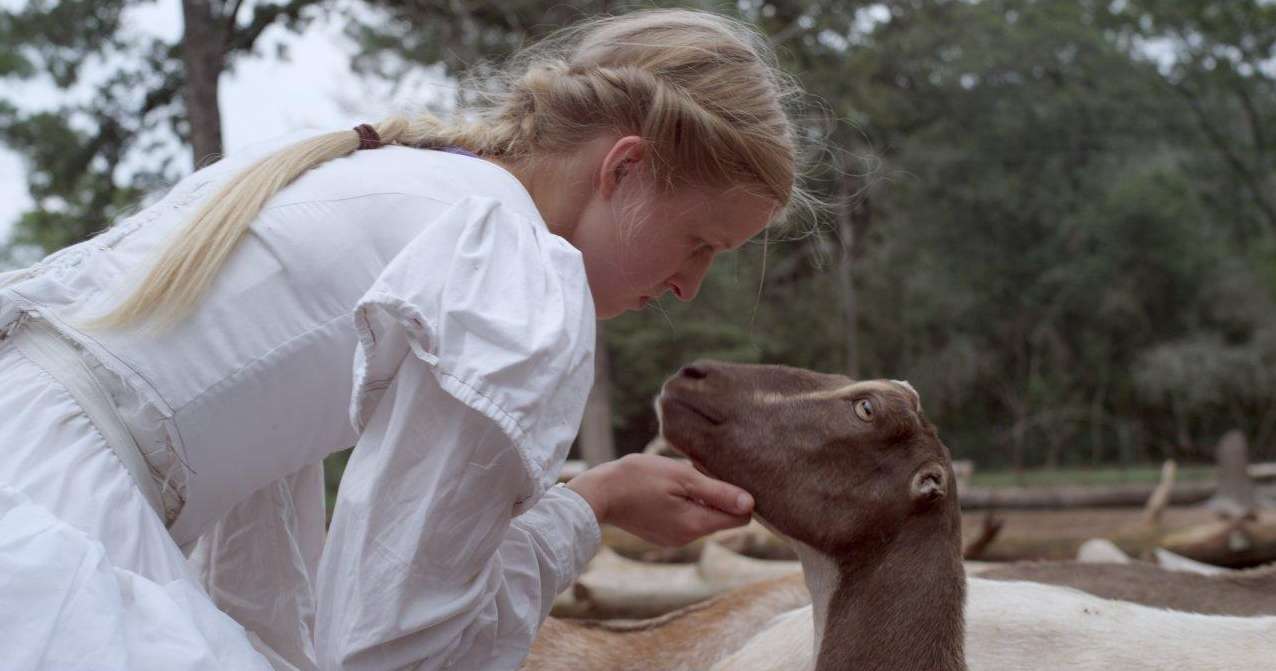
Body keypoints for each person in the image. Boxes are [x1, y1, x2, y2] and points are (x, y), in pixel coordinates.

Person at [0, 8, 806, 670]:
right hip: (51, 517)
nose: (687, 286)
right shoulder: (511, 267)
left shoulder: (389, 178)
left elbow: (264, 553)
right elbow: (399, 646)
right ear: (624, 168)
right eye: (701, 241)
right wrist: (589, 508)